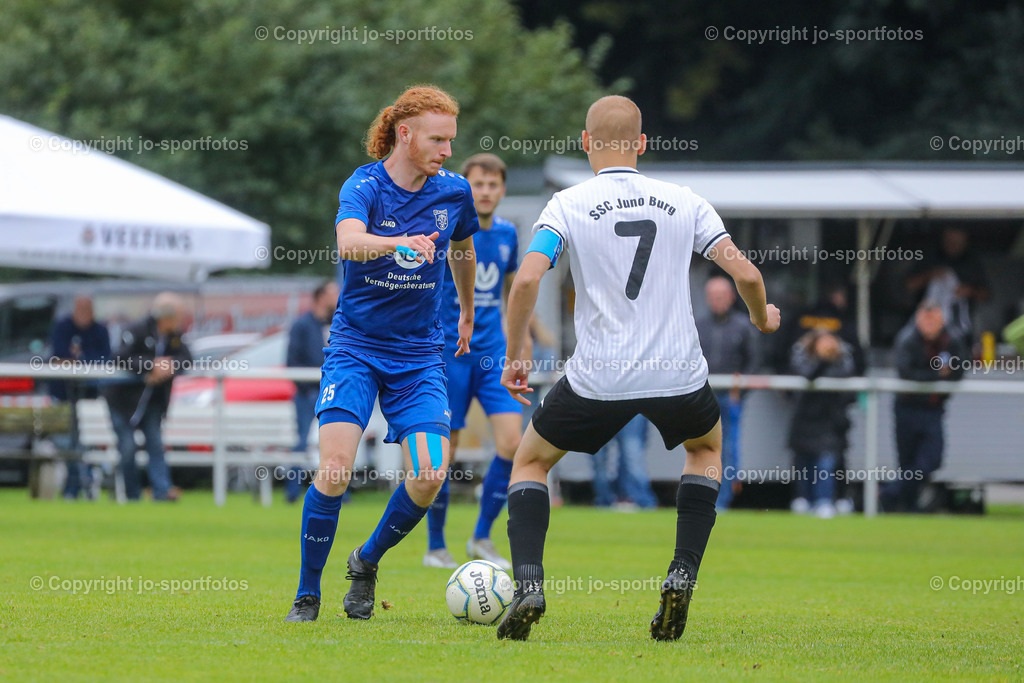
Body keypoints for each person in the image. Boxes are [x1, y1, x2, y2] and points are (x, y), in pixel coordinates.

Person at [494, 95, 780, 641]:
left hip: (600, 374)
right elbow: (744, 272)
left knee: (529, 462)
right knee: (707, 450)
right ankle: (681, 574)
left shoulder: (568, 203)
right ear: (642, 144)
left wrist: (516, 353)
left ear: (585, 142)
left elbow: (527, 280)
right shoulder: (684, 200)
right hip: (678, 370)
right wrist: (761, 316)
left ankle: (529, 582)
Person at [285, 85, 479, 623]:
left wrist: (465, 308)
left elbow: (463, 247)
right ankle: (307, 592)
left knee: (429, 474)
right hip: (356, 348)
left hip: (418, 355)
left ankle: (366, 561)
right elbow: (348, 241)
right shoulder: (364, 184)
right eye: (438, 140)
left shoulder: (454, 192)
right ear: (405, 134)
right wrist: (396, 243)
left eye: (451, 141)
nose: (446, 151)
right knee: (337, 467)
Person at [423, 153, 522, 571]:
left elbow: (515, 298)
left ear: (501, 190)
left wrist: (521, 349)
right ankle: (436, 546)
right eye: (477, 184)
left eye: (492, 185)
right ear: (465, 187)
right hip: (450, 351)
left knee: (512, 444)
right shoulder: (446, 227)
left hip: (493, 352)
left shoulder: (508, 234)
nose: (484, 192)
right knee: (447, 451)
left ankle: (481, 535)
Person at [103, 293, 191, 502]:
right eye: (178, 315)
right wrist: (150, 366)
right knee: (127, 447)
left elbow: (187, 359)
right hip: (123, 401)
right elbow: (120, 357)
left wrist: (170, 366)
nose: (181, 320)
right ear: (167, 316)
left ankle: (162, 492)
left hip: (152, 402)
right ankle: (132, 494)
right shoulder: (137, 329)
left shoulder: (174, 336)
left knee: (156, 445)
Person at [882, 301, 968, 512]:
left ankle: (889, 492)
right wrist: (938, 375)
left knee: (931, 460)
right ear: (918, 319)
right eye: (926, 319)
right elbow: (906, 373)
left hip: (933, 410)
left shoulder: (952, 340)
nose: (930, 325)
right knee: (907, 461)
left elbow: (960, 369)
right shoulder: (907, 340)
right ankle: (907, 508)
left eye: (934, 320)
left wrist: (940, 378)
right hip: (907, 408)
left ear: (942, 320)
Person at [694, 276, 760, 510]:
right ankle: (703, 497)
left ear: (732, 297)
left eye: (722, 296)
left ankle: (723, 501)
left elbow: (754, 361)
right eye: (713, 296)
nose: (718, 301)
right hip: (703, 399)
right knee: (700, 449)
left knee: (729, 448)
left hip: (730, 399)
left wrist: (739, 391)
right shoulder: (698, 325)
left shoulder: (743, 325)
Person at [787, 330, 856, 518]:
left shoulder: (844, 359)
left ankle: (824, 501)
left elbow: (845, 379)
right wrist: (822, 360)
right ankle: (803, 499)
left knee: (826, 464)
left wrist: (831, 357)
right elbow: (806, 375)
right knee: (803, 463)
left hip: (830, 422)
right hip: (804, 419)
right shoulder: (801, 355)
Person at [50, 296, 111, 500]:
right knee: (67, 443)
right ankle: (73, 486)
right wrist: (73, 360)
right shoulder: (62, 327)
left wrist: (79, 360)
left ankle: (79, 486)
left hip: (90, 398)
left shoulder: (100, 330)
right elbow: (57, 356)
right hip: (63, 395)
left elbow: (104, 359)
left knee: (86, 443)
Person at [284, 280, 340, 503]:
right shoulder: (302, 325)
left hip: (332, 392)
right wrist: (307, 388)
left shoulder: (336, 323)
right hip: (308, 395)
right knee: (302, 441)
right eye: (333, 292)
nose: (338, 296)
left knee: (335, 443)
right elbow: (292, 360)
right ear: (320, 297)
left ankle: (337, 493)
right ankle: (292, 492)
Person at [905, 227, 990, 340]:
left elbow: (986, 294)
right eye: (950, 241)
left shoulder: (972, 262)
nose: (953, 245)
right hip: (925, 330)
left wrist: (969, 291)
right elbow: (909, 285)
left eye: (957, 242)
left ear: (965, 242)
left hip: (960, 328)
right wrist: (929, 276)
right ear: (943, 239)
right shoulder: (930, 257)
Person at [592, 415, 658, 510]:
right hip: (599, 405)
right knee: (630, 453)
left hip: (628, 405)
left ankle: (641, 501)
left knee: (632, 453)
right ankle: (605, 500)